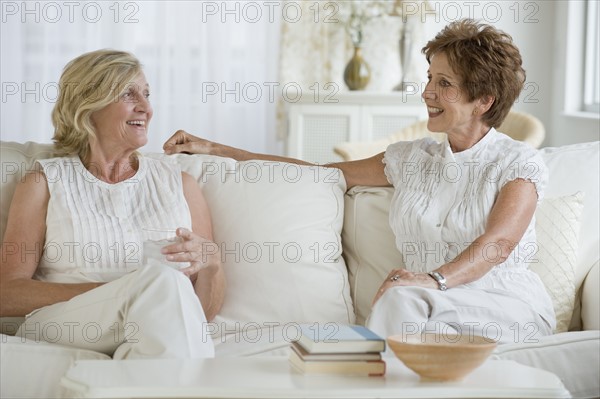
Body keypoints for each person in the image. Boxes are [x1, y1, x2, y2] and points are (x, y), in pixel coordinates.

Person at [162, 19, 555, 344]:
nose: (427, 92)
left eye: (445, 83)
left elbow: (498, 245)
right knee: (400, 307)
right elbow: (313, 172)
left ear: (483, 100)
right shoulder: (411, 159)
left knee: (401, 304)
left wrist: (433, 280)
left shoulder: (517, 161)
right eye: (430, 77)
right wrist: (217, 149)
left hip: (500, 304)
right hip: (424, 309)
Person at [0, 49, 224, 359]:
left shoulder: (180, 183)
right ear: (88, 106)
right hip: (64, 321)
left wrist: (211, 263)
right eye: (128, 94)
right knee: (162, 281)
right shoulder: (44, 182)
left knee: (164, 306)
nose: (145, 107)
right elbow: (7, 292)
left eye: (146, 94)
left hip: (149, 326)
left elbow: (199, 318)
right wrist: (129, 292)